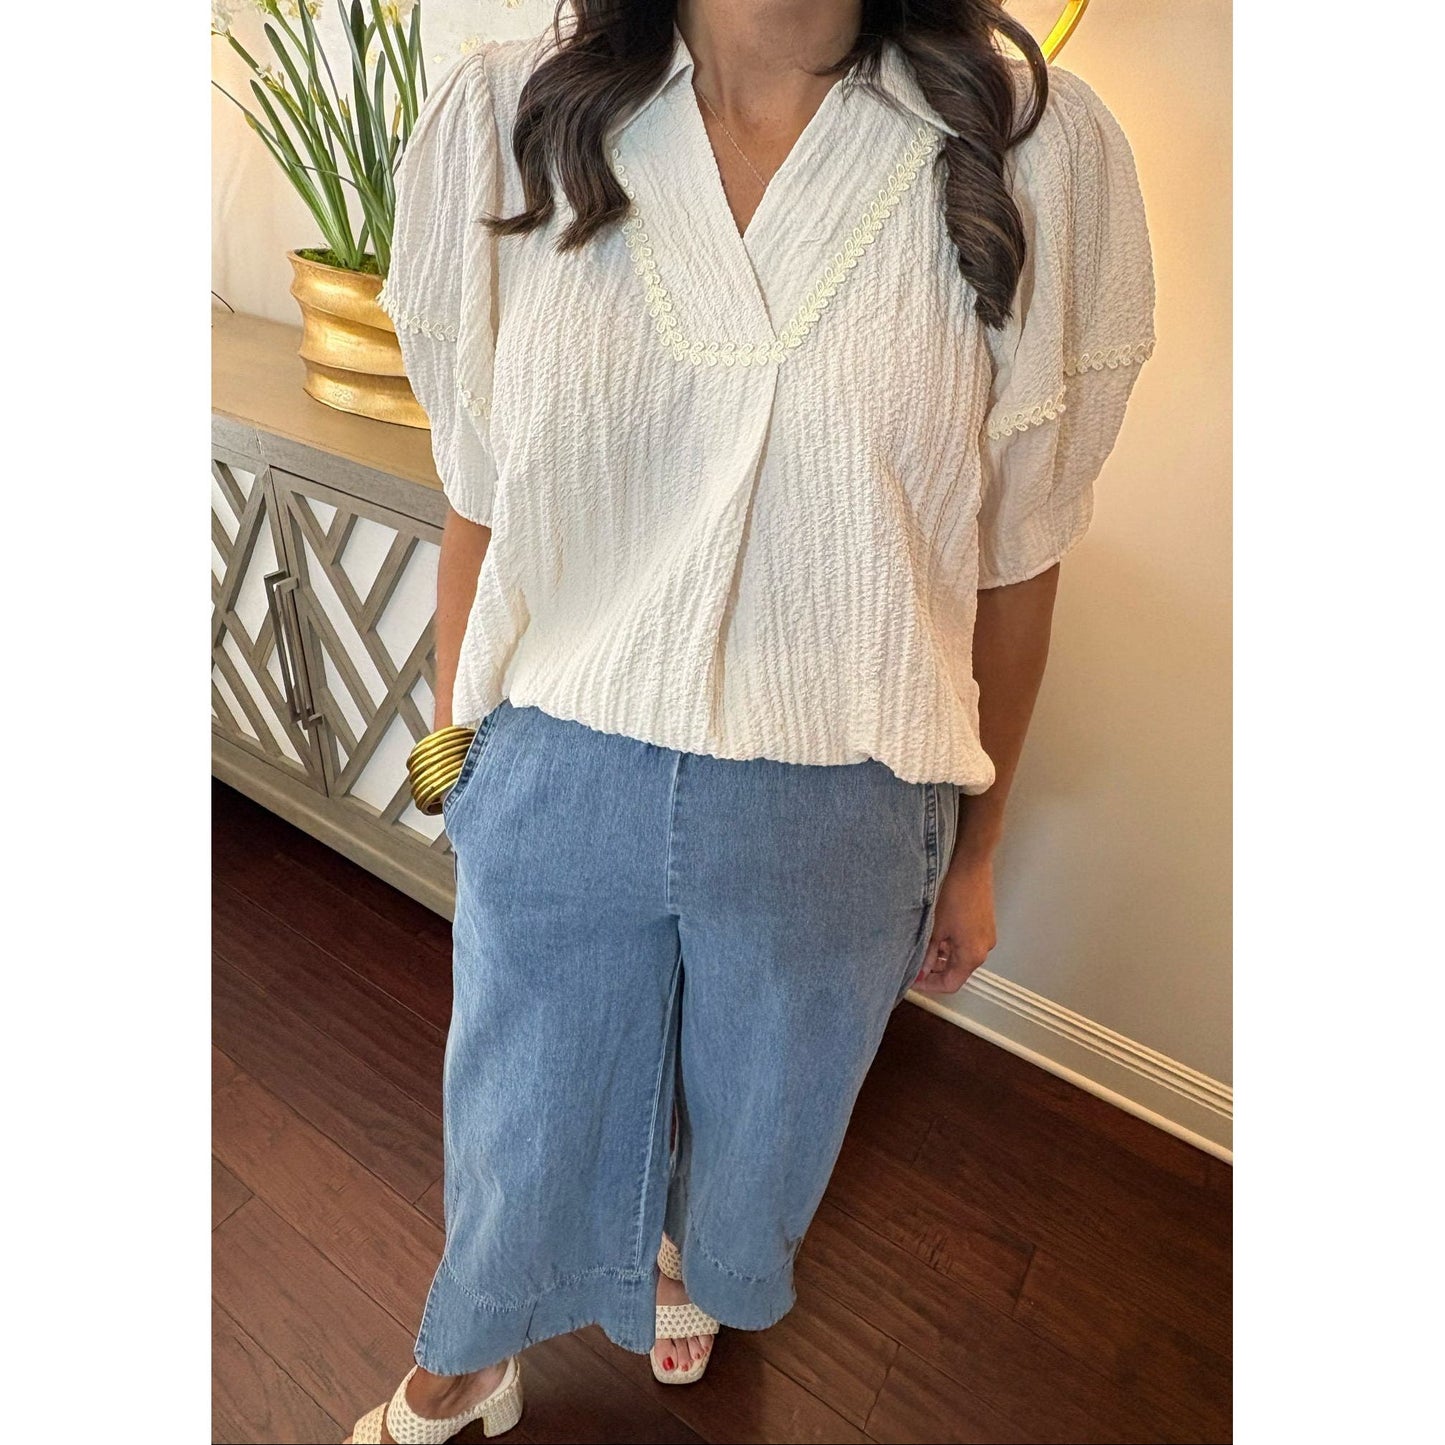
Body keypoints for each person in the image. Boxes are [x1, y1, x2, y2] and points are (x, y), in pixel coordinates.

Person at [346, 0, 1153, 1439]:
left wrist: (976, 845)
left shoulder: (1028, 149)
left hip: (839, 797)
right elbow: (481, 495)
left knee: (764, 1127)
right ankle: (467, 1343)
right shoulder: (507, 114)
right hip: (556, 757)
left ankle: (684, 1264)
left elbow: (1016, 563)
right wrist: (449, 757)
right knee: (517, 1107)